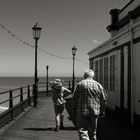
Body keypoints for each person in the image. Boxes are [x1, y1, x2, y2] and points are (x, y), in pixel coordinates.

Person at [73, 69, 107, 140]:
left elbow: (74, 98)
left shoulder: (80, 84)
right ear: (93, 76)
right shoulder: (98, 85)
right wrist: (103, 110)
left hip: (82, 111)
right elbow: (103, 99)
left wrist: (74, 109)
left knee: (82, 131)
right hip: (94, 111)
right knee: (93, 132)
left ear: (84, 76)